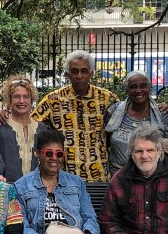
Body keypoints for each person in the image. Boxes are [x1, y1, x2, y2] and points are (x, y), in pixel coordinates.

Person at [31, 50, 119, 182]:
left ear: (91, 73)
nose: (79, 76)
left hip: (98, 175)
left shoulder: (107, 99)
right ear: (67, 74)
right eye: (74, 71)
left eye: (84, 71)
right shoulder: (53, 99)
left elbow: (129, 119)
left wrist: (159, 109)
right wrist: (7, 115)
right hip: (65, 177)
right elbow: (30, 123)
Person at [104, 70, 168, 173]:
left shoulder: (162, 114)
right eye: (133, 87)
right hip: (117, 177)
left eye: (143, 86)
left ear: (149, 88)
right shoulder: (114, 112)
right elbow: (105, 141)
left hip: (151, 178)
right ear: (127, 90)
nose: (138, 90)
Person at [0, 76, 39, 182]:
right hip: (6, 189)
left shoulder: (41, 129)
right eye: (17, 97)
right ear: (9, 100)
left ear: (32, 99)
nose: (21, 101)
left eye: (26, 96)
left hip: (35, 191)